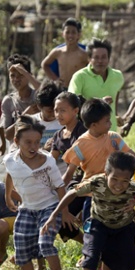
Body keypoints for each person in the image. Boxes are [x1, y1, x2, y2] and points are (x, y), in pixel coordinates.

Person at [62, 99, 135, 263]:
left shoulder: (113, 138)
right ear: (93, 125)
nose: (110, 124)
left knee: (116, 229)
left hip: (116, 191)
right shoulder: (81, 144)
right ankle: (91, 255)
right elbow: (69, 174)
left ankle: (107, 263)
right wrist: (57, 191)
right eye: (106, 121)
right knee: (90, 230)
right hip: (93, 194)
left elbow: (133, 156)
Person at [4, 116, 72, 270]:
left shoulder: (48, 161)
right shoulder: (10, 160)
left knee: (45, 243)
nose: (33, 146)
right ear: (17, 141)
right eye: (28, 142)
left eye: (37, 142)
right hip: (27, 209)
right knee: (21, 248)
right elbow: (9, 175)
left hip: (49, 208)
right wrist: (8, 196)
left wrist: (64, 212)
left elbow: (59, 187)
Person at [50, 91, 87, 244]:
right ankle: (88, 246)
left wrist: (59, 189)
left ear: (76, 111)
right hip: (71, 183)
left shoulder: (82, 132)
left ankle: (93, 251)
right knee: (60, 220)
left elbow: (71, 170)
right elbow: (49, 163)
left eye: (63, 110)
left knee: (61, 214)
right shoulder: (58, 135)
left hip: (88, 181)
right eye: (56, 110)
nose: (58, 114)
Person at [69, 38, 124, 132]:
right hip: (88, 133)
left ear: (109, 58)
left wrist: (116, 115)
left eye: (103, 57)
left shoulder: (118, 76)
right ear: (89, 59)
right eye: (96, 57)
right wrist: (99, 103)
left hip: (111, 132)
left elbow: (115, 98)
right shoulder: (79, 77)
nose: (100, 61)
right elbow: (72, 103)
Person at [1, 54, 40, 142]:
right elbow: (8, 135)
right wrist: (24, 116)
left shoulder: (37, 96)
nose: (16, 79)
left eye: (21, 75)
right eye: (12, 75)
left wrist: (26, 73)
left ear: (29, 75)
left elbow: (46, 91)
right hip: (16, 150)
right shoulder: (8, 101)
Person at [41, 18, 88, 88]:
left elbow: (94, 70)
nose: (70, 35)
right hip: (62, 90)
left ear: (78, 35)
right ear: (62, 34)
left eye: (73, 32)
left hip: (78, 90)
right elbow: (44, 64)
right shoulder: (58, 52)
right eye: (67, 32)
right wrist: (55, 80)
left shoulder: (83, 54)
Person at [29, 82, 64, 150]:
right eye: (50, 111)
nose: (54, 114)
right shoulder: (31, 123)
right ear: (39, 106)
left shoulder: (65, 122)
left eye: (57, 110)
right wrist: (44, 149)